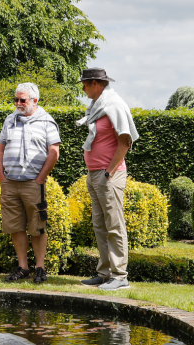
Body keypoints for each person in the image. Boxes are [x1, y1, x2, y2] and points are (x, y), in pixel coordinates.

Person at [77, 68, 139, 291]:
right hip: (95, 173)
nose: (82, 88)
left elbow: (125, 141)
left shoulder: (114, 105)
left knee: (114, 225)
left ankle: (120, 276)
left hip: (108, 174)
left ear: (95, 83)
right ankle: (104, 273)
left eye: (84, 84)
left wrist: (109, 172)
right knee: (100, 226)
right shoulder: (98, 107)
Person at [0, 83, 61, 284]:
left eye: (22, 100)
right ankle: (23, 267)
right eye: (16, 99)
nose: (17, 103)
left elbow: (54, 152)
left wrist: (40, 179)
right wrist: (2, 178)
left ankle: (40, 267)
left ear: (35, 101)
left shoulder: (47, 122)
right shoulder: (10, 119)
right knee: (16, 227)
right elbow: (0, 151)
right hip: (10, 183)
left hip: (33, 183)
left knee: (37, 226)